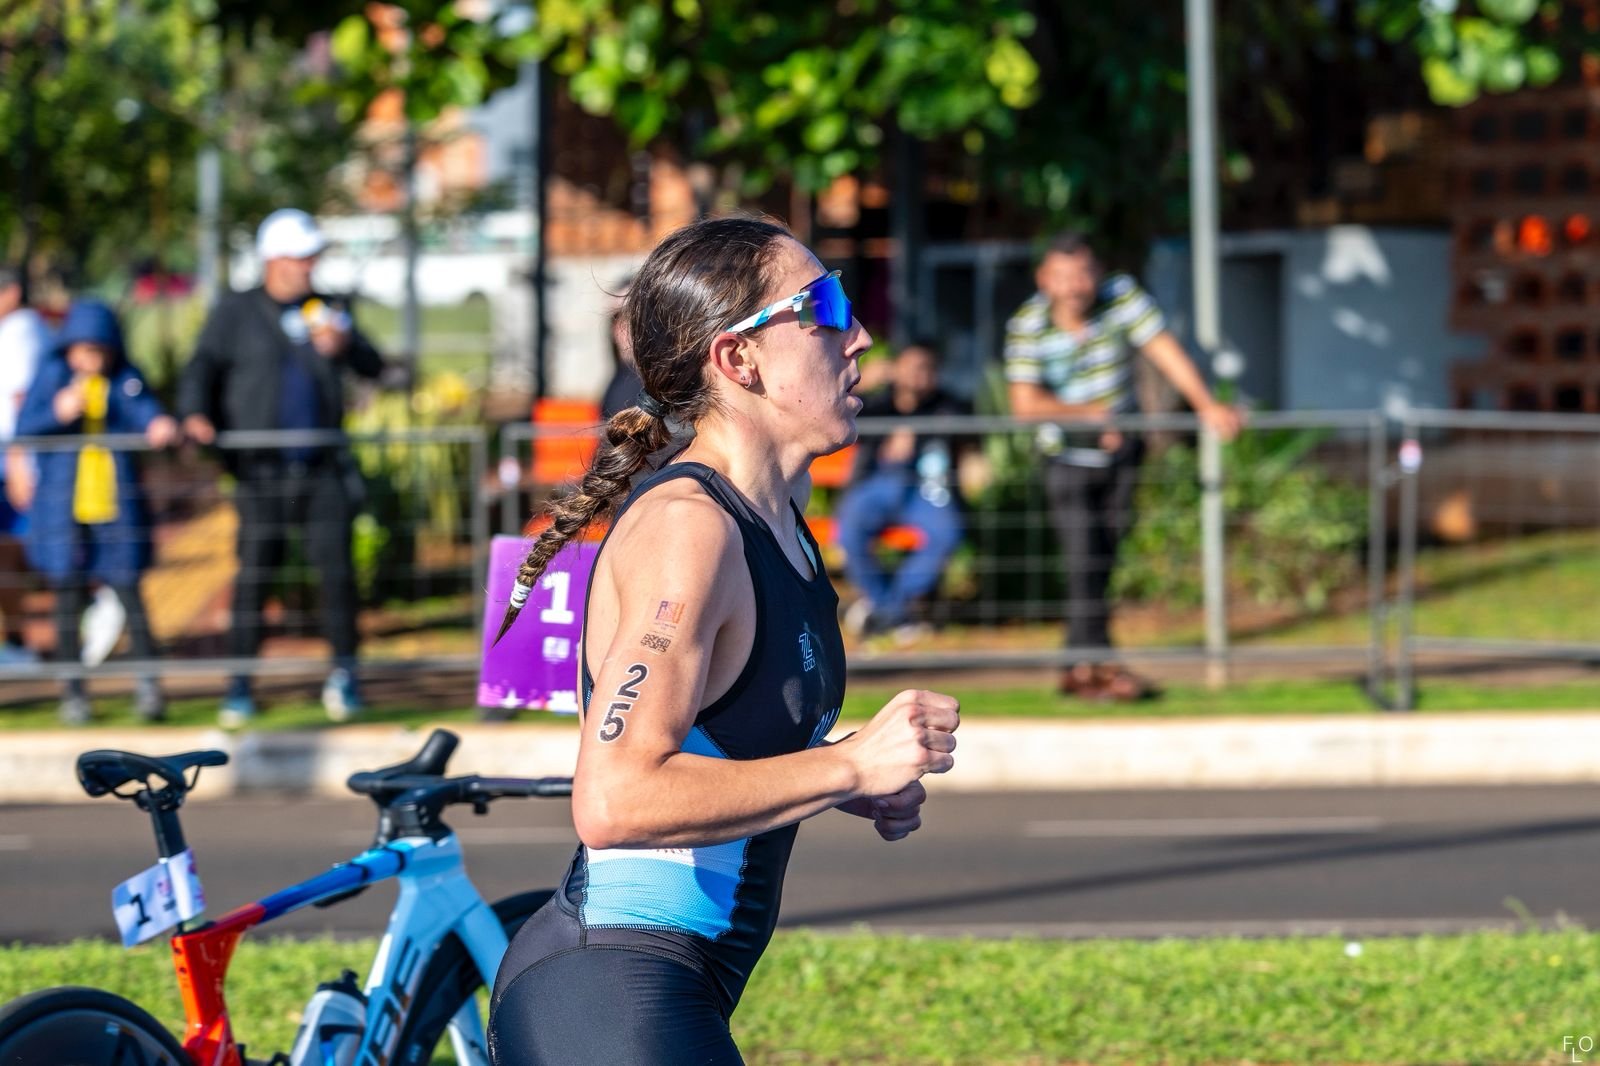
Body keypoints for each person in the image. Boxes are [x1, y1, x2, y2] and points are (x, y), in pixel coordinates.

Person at [487, 217, 960, 1066]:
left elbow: (717, 740)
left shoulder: (777, 524)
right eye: (824, 308)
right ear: (739, 360)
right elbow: (617, 799)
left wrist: (833, 774)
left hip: (661, 988)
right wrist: (849, 768)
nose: (858, 335)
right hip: (609, 991)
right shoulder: (690, 530)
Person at [1004, 231, 1242, 701]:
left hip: (1121, 453)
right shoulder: (1028, 324)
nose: (1075, 286)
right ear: (1045, 279)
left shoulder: (1121, 296)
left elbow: (1165, 351)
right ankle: (1101, 666)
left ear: (1097, 273)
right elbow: (1024, 404)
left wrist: (1207, 405)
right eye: (1064, 277)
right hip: (1065, 458)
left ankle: (1080, 667)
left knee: (1104, 560)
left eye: (1083, 274)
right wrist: (1090, 416)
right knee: (1083, 561)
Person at [178, 209, 385, 727]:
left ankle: (344, 677)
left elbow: (374, 364)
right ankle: (240, 685)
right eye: (300, 257)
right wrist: (195, 415)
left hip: (322, 468)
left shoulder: (328, 309)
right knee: (254, 576)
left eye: (313, 257)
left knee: (336, 577)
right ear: (273, 259)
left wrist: (345, 346)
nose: (309, 267)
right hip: (260, 471)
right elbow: (201, 368)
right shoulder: (236, 311)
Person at [15, 300, 177, 723]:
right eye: (84, 350)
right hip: (63, 508)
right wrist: (57, 412)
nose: (92, 360)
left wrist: (158, 424)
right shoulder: (52, 377)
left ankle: (148, 686)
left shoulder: (124, 379)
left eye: (99, 351)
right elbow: (24, 427)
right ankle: (73, 691)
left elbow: (145, 411)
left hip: (115, 507)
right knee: (67, 597)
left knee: (129, 593)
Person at [837, 341, 970, 639]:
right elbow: (837, 411)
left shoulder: (944, 405)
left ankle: (886, 609)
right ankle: (893, 611)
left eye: (926, 369)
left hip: (924, 490)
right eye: (911, 367)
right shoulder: (878, 402)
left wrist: (916, 435)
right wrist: (860, 385)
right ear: (896, 368)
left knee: (947, 532)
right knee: (849, 530)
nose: (917, 375)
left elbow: (962, 422)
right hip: (876, 485)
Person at [0, 266, 48, 663]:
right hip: (12, 456)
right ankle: (17, 643)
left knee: (33, 549)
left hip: (15, 458)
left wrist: (18, 461)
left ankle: (101, 595)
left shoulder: (21, 331)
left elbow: (21, 400)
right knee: (11, 554)